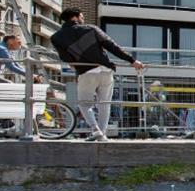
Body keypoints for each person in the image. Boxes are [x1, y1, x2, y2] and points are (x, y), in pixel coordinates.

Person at [52, 8, 144, 142]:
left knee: (84, 104)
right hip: (105, 70)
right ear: (75, 17)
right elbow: (112, 46)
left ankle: (96, 130)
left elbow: (65, 57)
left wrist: (74, 63)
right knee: (105, 104)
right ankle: (102, 134)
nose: (83, 19)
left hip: (86, 72)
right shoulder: (91, 29)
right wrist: (132, 60)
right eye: (81, 16)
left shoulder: (56, 37)